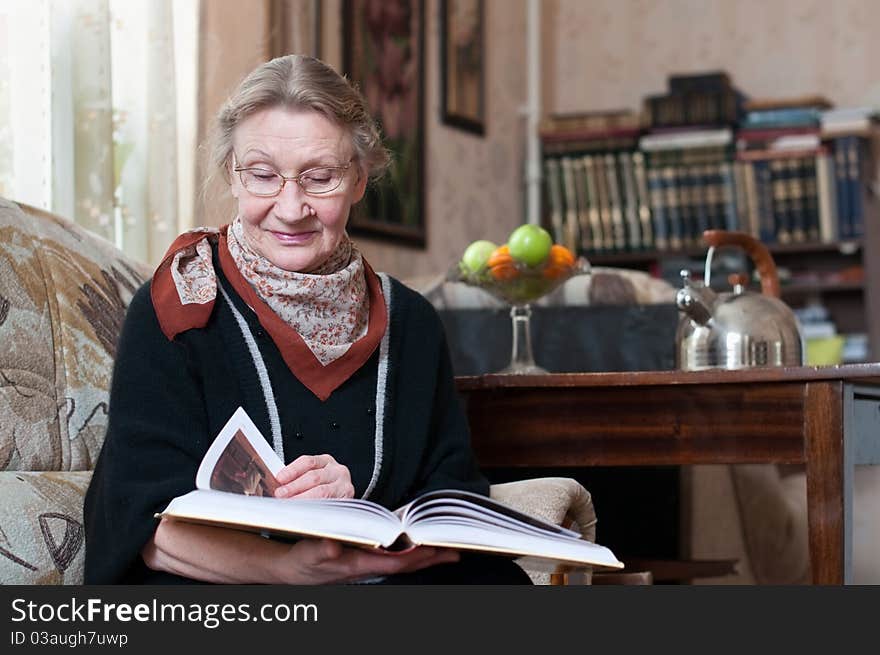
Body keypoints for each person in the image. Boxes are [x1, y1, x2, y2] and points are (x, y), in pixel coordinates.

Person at [82, 54, 530, 585]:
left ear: (359, 179)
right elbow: (144, 526)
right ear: (233, 174)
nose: (291, 207)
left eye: (320, 178)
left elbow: (453, 498)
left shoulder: (411, 322)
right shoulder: (179, 307)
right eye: (263, 175)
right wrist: (287, 569)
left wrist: (357, 499)